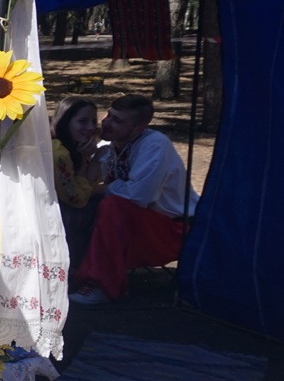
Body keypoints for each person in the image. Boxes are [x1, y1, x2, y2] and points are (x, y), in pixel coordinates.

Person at [69, 94, 197, 304]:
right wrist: (84, 159)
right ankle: (74, 271)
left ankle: (102, 285)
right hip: (139, 226)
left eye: (117, 120)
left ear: (138, 129)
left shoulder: (154, 144)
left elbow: (139, 196)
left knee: (112, 205)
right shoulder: (108, 146)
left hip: (175, 230)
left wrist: (101, 190)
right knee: (80, 204)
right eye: (109, 115)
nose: (106, 123)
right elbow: (86, 188)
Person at [51, 96, 105, 265]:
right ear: (65, 122)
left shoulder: (75, 146)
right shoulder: (60, 154)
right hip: (58, 216)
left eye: (93, 121)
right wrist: (88, 161)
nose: (90, 127)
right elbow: (77, 199)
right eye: (82, 121)